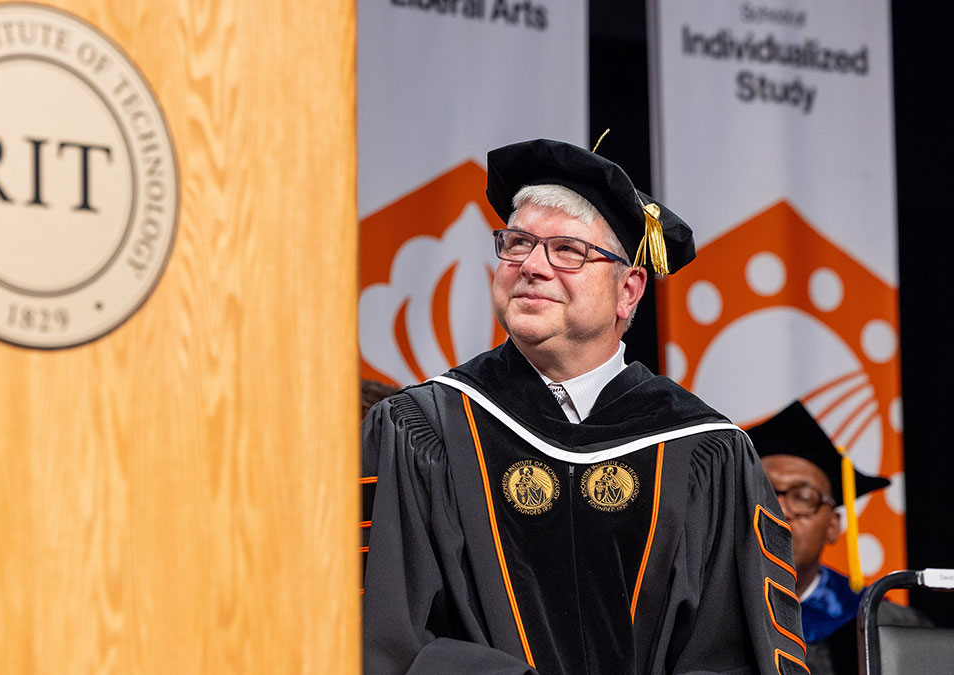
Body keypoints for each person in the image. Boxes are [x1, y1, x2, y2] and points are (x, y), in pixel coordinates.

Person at [361, 139, 806, 674]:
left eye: (568, 250)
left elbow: (734, 651)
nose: (532, 266)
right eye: (518, 243)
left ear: (629, 291)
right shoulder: (425, 429)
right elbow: (387, 635)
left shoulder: (704, 452)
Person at [747, 401, 931, 675]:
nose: (780, 510)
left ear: (833, 526)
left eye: (803, 497)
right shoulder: (701, 616)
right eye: (763, 493)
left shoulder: (879, 623)